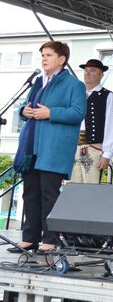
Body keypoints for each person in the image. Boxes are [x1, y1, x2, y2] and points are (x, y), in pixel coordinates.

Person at [9, 41, 85, 254]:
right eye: (42, 54)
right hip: (32, 146)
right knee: (30, 193)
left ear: (62, 59)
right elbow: (26, 105)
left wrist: (50, 113)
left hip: (54, 148)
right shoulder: (38, 82)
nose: (44, 58)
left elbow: (78, 113)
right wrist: (24, 111)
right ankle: (29, 238)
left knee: (48, 193)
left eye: (49, 55)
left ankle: (50, 239)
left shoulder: (74, 85)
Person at [70, 59, 113, 184]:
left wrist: (107, 154)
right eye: (86, 70)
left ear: (101, 74)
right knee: (72, 187)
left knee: (90, 186)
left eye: (92, 70)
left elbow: (112, 125)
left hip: (94, 147)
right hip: (73, 147)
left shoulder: (107, 95)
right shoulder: (76, 94)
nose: (88, 73)